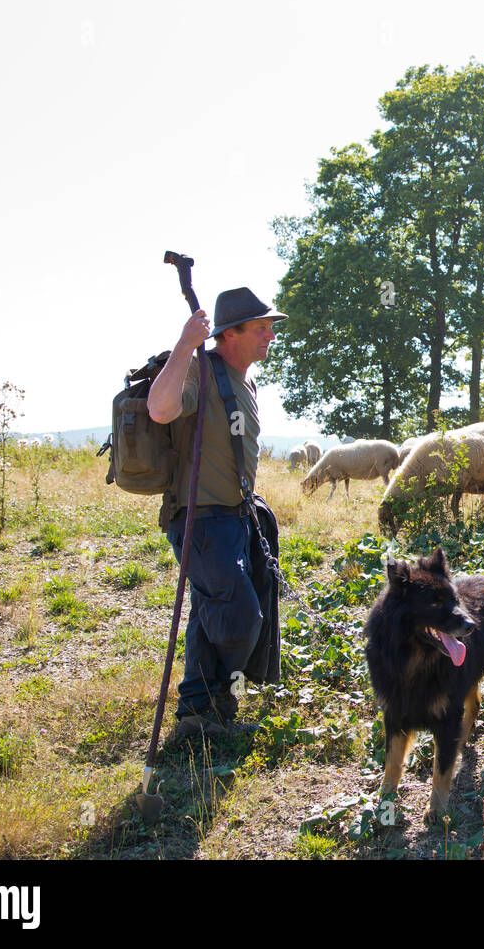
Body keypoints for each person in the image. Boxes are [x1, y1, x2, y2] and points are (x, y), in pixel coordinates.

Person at [147, 287, 286, 738]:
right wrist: (186, 343)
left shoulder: (244, 380)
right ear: (230, 334)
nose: (270, 335)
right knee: (239, 614)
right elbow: (160, 408)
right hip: (201, 520)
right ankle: (209, 703)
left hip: (236, 516)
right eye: (261, 327)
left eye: (270, 327)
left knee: (213, 611)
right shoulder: (200, 370)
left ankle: (200, 715)